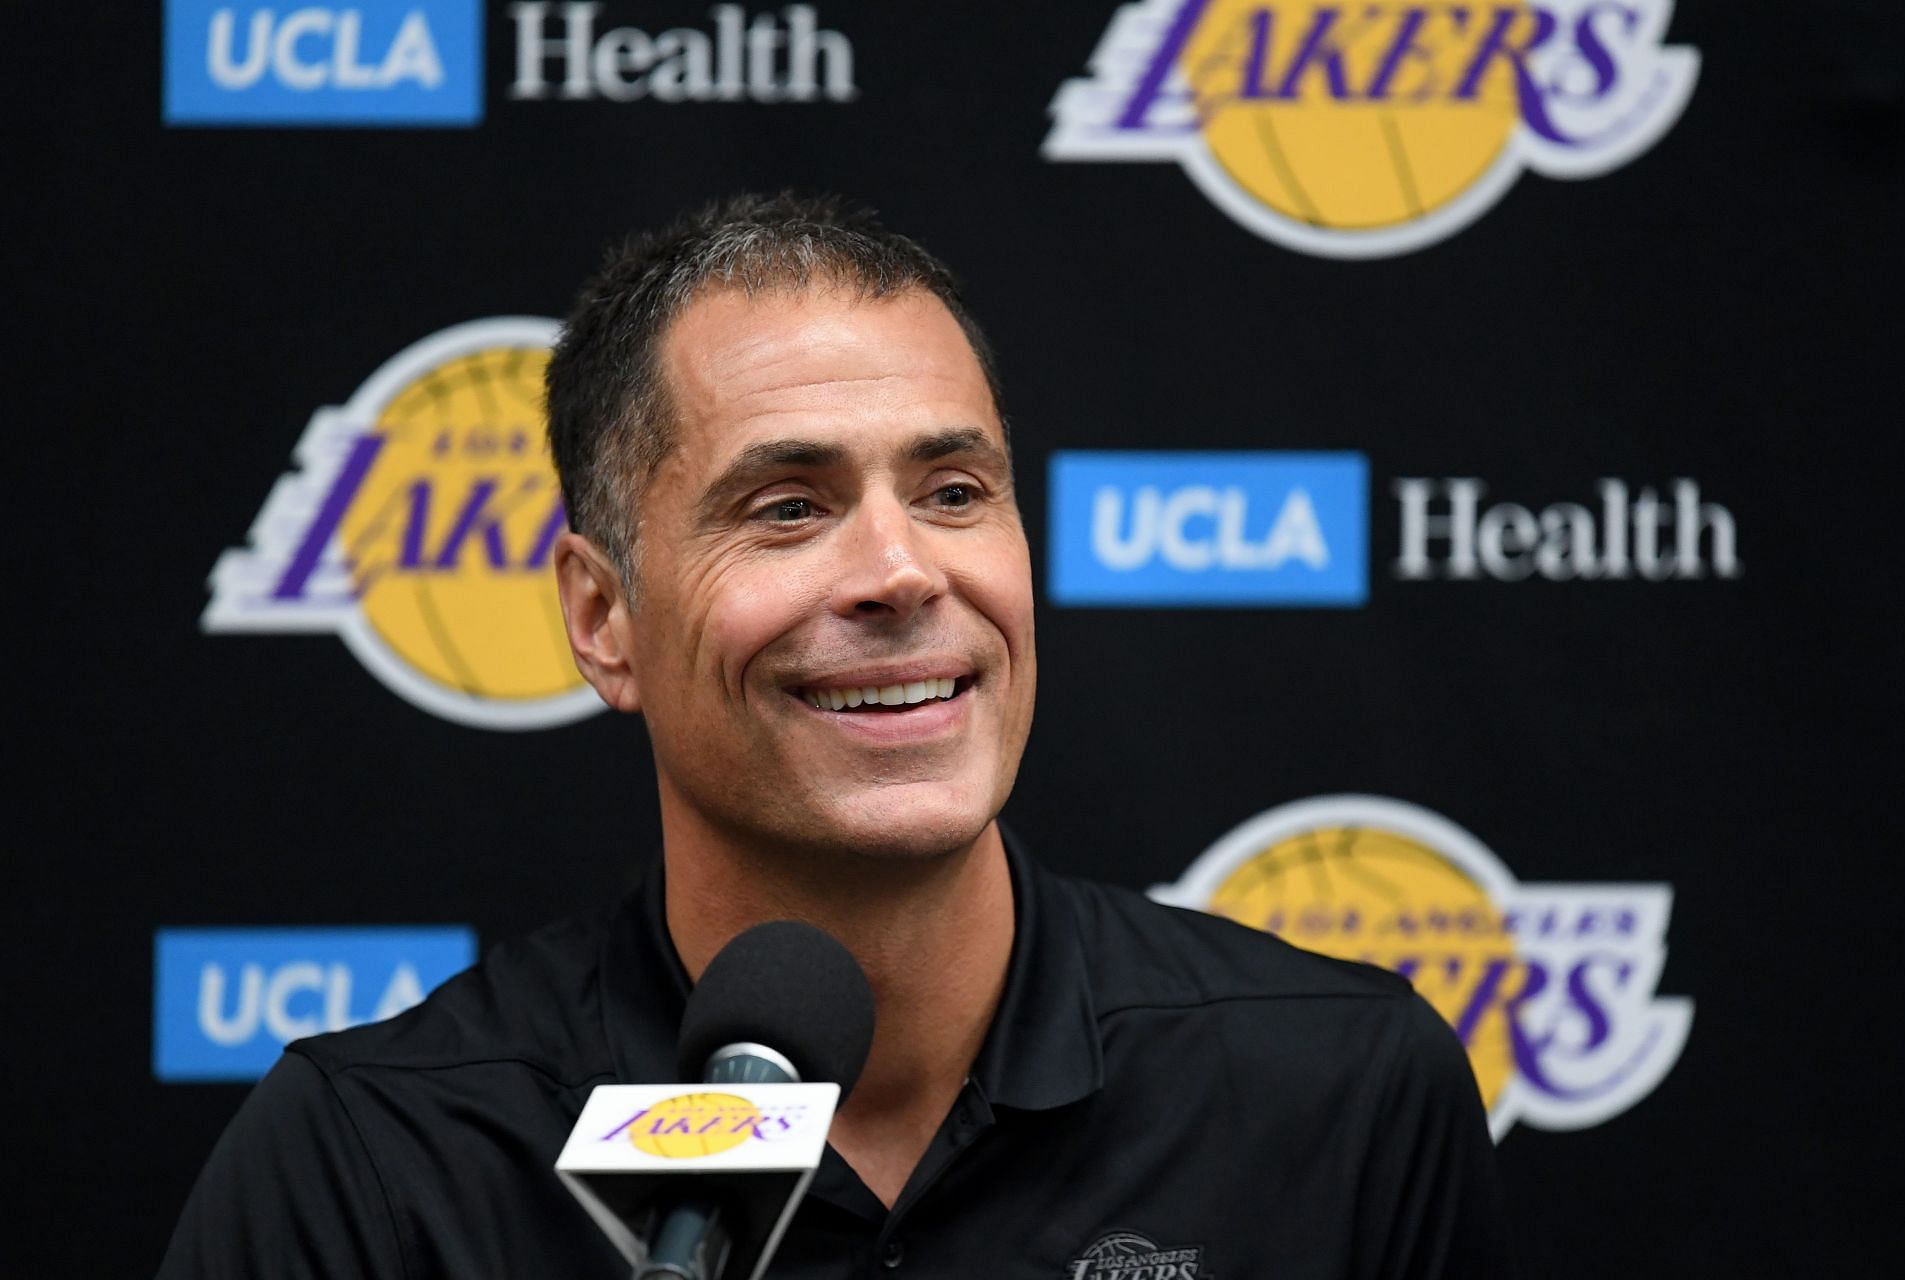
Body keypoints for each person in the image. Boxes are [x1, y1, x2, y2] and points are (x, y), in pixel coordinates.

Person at [158, 194, 1512, 1278]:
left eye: (954, 490)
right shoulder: (372, 1164)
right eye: (788, 507)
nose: (902, 570)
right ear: (600, 614)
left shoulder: (1341, 1094)